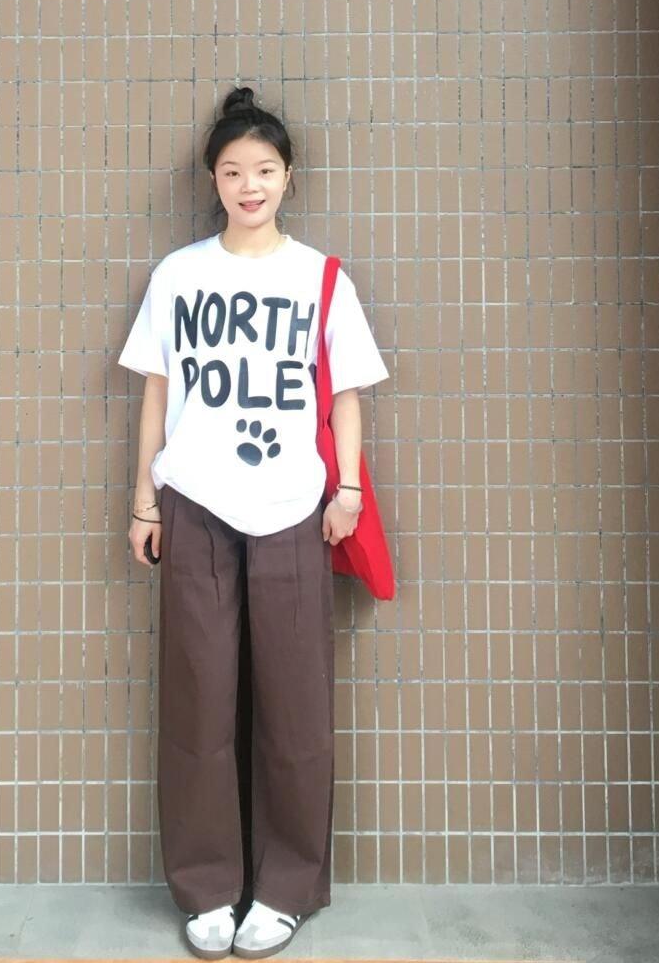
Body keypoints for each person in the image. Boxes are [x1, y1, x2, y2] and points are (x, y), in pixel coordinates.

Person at [118, 85, 388, 961]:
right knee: (198, 698)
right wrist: (143, 497)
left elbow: (344, 395)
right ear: (213, 180)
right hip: (195, 501)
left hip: (294, 508)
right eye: (233, 171)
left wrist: (348, 490)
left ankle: (284, 887)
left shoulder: (320, 277)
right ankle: (206, 888)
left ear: (289, 177)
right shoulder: (178, 275)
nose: (249, 185)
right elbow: (157, 390)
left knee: (294, 706)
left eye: (264, 170)